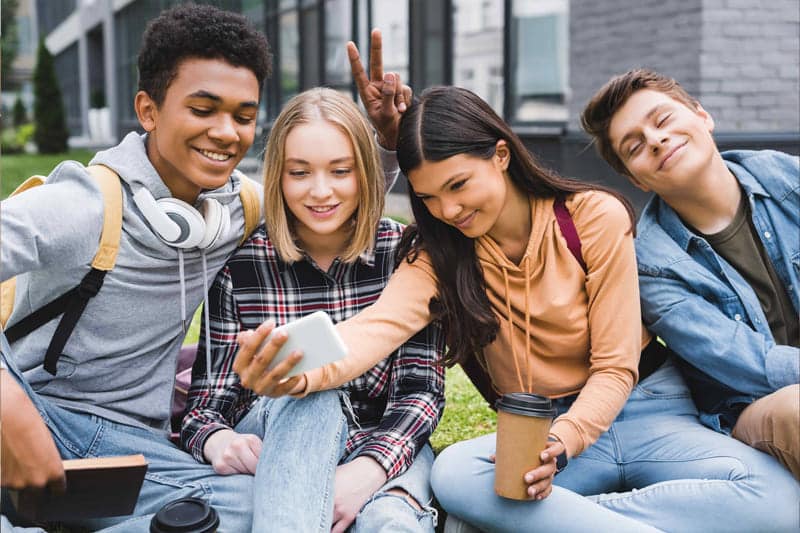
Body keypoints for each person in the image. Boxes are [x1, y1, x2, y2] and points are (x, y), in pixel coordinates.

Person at [234, 86, 800, 533]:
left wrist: (567, 440)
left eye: (459, 185)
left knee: (779, 505)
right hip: (537, 427)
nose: (448, 209)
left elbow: (617, 365)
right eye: (429, 197)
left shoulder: (591, 216)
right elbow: (369, 332)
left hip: (648, 409)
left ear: (500, 154)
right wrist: (298, 367)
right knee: (457, 475)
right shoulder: (439, 256)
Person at [0, 6, 406, 531]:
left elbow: (327, 205)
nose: (225, 133)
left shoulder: (240, 208)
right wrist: (9, 406)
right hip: (44, 416)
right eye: (203, 109)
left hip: (131, 445)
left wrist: (387, 146)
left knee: (256, 502)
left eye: (242, 115)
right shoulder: (86, 204)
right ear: (148, 110)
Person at [180, 87, 444, 533]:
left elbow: (419, 393)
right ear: (278, 177)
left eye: (340, 171)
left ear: (365, 171)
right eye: (299, 173)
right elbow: (207, 407)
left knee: (389, 521)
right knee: (312, 393)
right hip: (281, 439)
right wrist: (218, 440)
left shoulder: (404, 256)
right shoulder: (243, 269)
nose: (321, 191)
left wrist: (369, 470)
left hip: (384, 444)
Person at [580, 68, 799, 479]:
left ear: (702, 115)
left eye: (662, 121)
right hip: (754, 409)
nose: (656, 140)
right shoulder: (649, 264)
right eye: (635, 146)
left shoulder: (786, 176)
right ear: (634, 179)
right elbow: (747, 363)